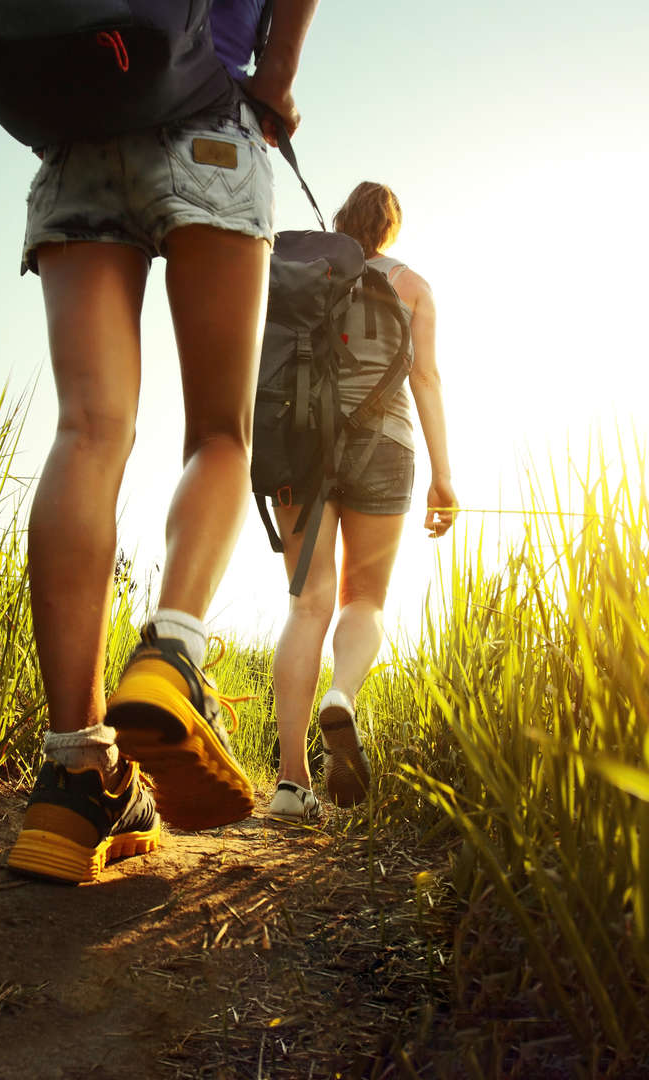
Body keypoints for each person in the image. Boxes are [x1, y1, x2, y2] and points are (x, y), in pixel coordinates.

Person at [6, 0, 320, 884]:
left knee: (87, 430)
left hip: (79, 133)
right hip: (209, 117)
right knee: (220, 431)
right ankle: (171, 655)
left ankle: (76, 773)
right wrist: (278, 85)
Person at [267, 182, 457, 823]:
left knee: (307, 603)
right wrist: (443, 477)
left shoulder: (306, 274)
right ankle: (341, 693)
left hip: (301, 444)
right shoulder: (414, 286)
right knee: (364, 599)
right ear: (391, 229)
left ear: (343, 223)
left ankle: (291, 786)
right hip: (387, 444)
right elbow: (425, 379)